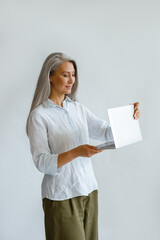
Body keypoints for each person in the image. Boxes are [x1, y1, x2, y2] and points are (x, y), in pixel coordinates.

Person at [26, 52, 140, 240]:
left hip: (88, 191)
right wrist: (76, 152)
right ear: (50, 77)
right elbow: (42, 163)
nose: (71, 80)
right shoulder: (39, 116)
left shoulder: (78, 109)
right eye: (65, 74)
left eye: (73, 74)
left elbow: (106, 132)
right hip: (61, 196)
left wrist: (129, 116)